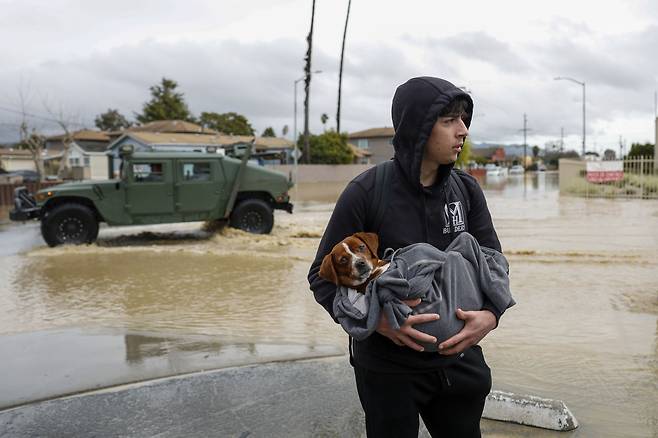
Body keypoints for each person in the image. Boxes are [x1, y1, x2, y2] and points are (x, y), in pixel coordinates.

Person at [307, 76, 512, 437]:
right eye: (449, 121)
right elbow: (321, 277)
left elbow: (494, 262)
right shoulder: (366, 192)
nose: (462, 130)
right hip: (388, 369)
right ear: (418, 129)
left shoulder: (467, 190)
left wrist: (491, 316)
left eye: (464, 119)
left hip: (458, 360)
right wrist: (378, 322)